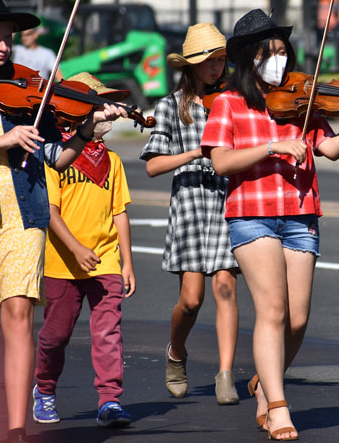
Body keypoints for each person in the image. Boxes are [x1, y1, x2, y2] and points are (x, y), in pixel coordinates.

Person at [0, 0, 127, 443]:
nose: (4, 46)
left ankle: (17, 428)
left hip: (24, 213)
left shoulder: (29, 88)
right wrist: (2, 141)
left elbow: (57, 158)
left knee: (19, 314)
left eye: (8, 38)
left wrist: (86, 130)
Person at [200, 9, 339, 441]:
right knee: (272, 311)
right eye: (269, 54)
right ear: (249, 58)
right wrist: (272, 145)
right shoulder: (229, 103)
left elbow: (331, 149)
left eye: (283, 52)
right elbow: (221, 160)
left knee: (298, 320)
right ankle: (278, 406)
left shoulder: (299, 99)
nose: (279, 61)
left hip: (301, 213)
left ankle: (268, 380)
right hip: (252, 214)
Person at [139, 23, 241, 405]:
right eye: (208, 62)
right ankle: (176, 352)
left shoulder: (233, 100)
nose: (217, 68)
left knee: (226, 287)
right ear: (191, 66)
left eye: (221, 61)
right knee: (192, 299)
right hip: (190, 205)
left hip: (227, 201)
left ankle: (226, 374)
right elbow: (152, 166)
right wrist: (199, 152)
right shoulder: (169, 105)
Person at [32, 72, 136, 429]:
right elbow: (50, 212)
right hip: (63, 261)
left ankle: (110, 399)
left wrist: (127, 263)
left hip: (105, 258)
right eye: (97, 107)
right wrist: (75, 249)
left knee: (107, 330)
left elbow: (119, 212)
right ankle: (44, 389)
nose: (105, 114)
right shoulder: (57, 157)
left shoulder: (114, 162)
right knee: (56, 335)